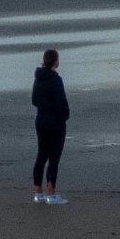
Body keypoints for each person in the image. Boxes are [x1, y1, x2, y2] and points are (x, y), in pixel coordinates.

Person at [30, 48, 69, 205]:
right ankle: (51, 194)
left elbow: (34, 100)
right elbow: (62, 102)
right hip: (55, 123)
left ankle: (38, 192)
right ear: (55, 62)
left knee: (41, 155)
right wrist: (65, 115)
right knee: (53, 158)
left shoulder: (38, 78)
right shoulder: (55, 79)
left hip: (41, 121)